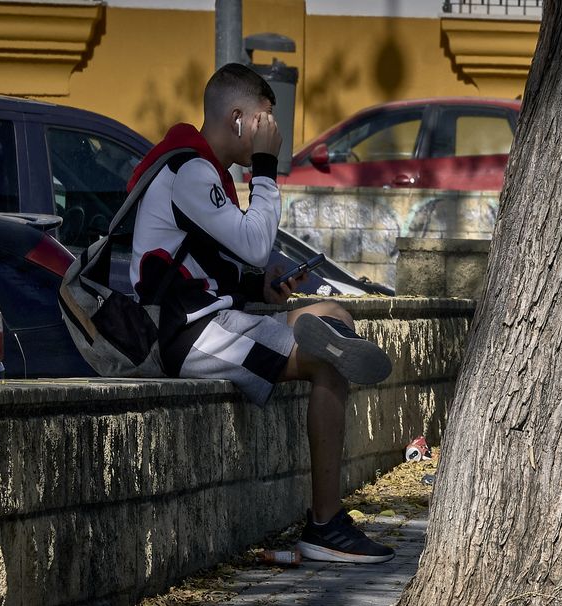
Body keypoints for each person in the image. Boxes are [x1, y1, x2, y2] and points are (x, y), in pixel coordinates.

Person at [130, 63, 395, 564]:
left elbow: (219, 262)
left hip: (214, 318)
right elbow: (254, 243)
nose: (273, 128)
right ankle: (325, 526)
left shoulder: (205, 172)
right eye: (265, 118)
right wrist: (267, 168)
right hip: (189, 335)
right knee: (330, 359)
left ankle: (326, 522)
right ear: (238, 121)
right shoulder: (189, 170)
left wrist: (261, 285)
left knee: (335, 313)